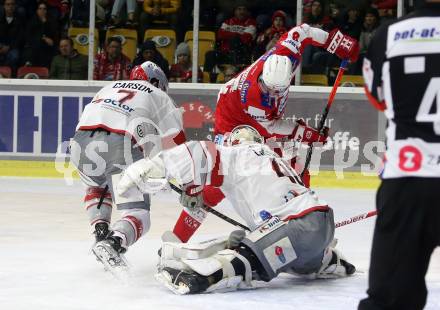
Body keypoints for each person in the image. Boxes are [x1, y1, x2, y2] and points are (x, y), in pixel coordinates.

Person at [168, 22, 359, 244]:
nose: (272, 94)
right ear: (262, 79)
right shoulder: (255, 99)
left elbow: (304, 30)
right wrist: (307, 134)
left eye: (278, 90)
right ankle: (177, 238)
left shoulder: (286, 53)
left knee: (293, 164)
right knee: (223, 179)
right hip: (233, 120)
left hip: (250, 113)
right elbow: (272, 126)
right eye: (268, 89)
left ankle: (303, 221)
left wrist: (334, 43)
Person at [117, 125, 356, 294]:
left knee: (246, 257)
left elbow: (201, 153)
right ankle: (330, 260)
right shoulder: (272, 157)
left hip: (296, 226)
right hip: (320, 225)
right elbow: (277, 198)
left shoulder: (239, 153)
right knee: (295, 261)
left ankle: (204, 278)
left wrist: (157, 164)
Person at [358, 1, 440, 309]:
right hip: (407, 179)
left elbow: (377, 98)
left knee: (389, 301)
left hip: (407, 181)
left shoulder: (389, 33)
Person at [69, 61, 186, 273]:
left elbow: (84, 120)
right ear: (156, 82)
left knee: (97, 187)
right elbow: (178, 141)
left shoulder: (109, 87)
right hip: (119, 145)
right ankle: (114, 242)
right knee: (139, 214)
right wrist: (179, 176)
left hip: (80, 143)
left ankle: (100, 229)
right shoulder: (159, 95)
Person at [22, 1, 59, 68]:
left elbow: (55, 35)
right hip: (34, 46)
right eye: (40, 8)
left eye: (44, 9)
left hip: (48, 47)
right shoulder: (31, 22)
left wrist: (45, 24)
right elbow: (28, 37)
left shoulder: (52, 21)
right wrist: (44, 38)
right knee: (33, 49)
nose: (42, 11)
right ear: (37, 11)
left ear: (47, 11)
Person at [0, 0, 24, 75]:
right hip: (0, 46)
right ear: (4, 6)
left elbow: (20, 38)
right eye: (8, 4)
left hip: (12, 47)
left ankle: (11, 77)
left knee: (14, 56)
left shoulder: (20, 21)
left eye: (12, 4)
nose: (10, 6)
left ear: (15, 6)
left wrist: (9, 47)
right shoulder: (0, 20)